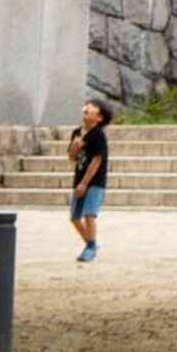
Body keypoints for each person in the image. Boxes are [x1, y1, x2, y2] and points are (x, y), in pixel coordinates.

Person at [65, 100, 110, 263]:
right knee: (74, 217)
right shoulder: (77, 132)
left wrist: (84, 183)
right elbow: (72, 158)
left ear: (99, 118)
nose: (87, 107)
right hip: (79, 179)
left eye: (92, 107)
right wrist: (75, 147)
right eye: (87, 105)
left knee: (89, 214)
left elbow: (96, 161)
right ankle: (91, 243)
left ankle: (90, 246)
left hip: (95, 181)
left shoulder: (98, 135)